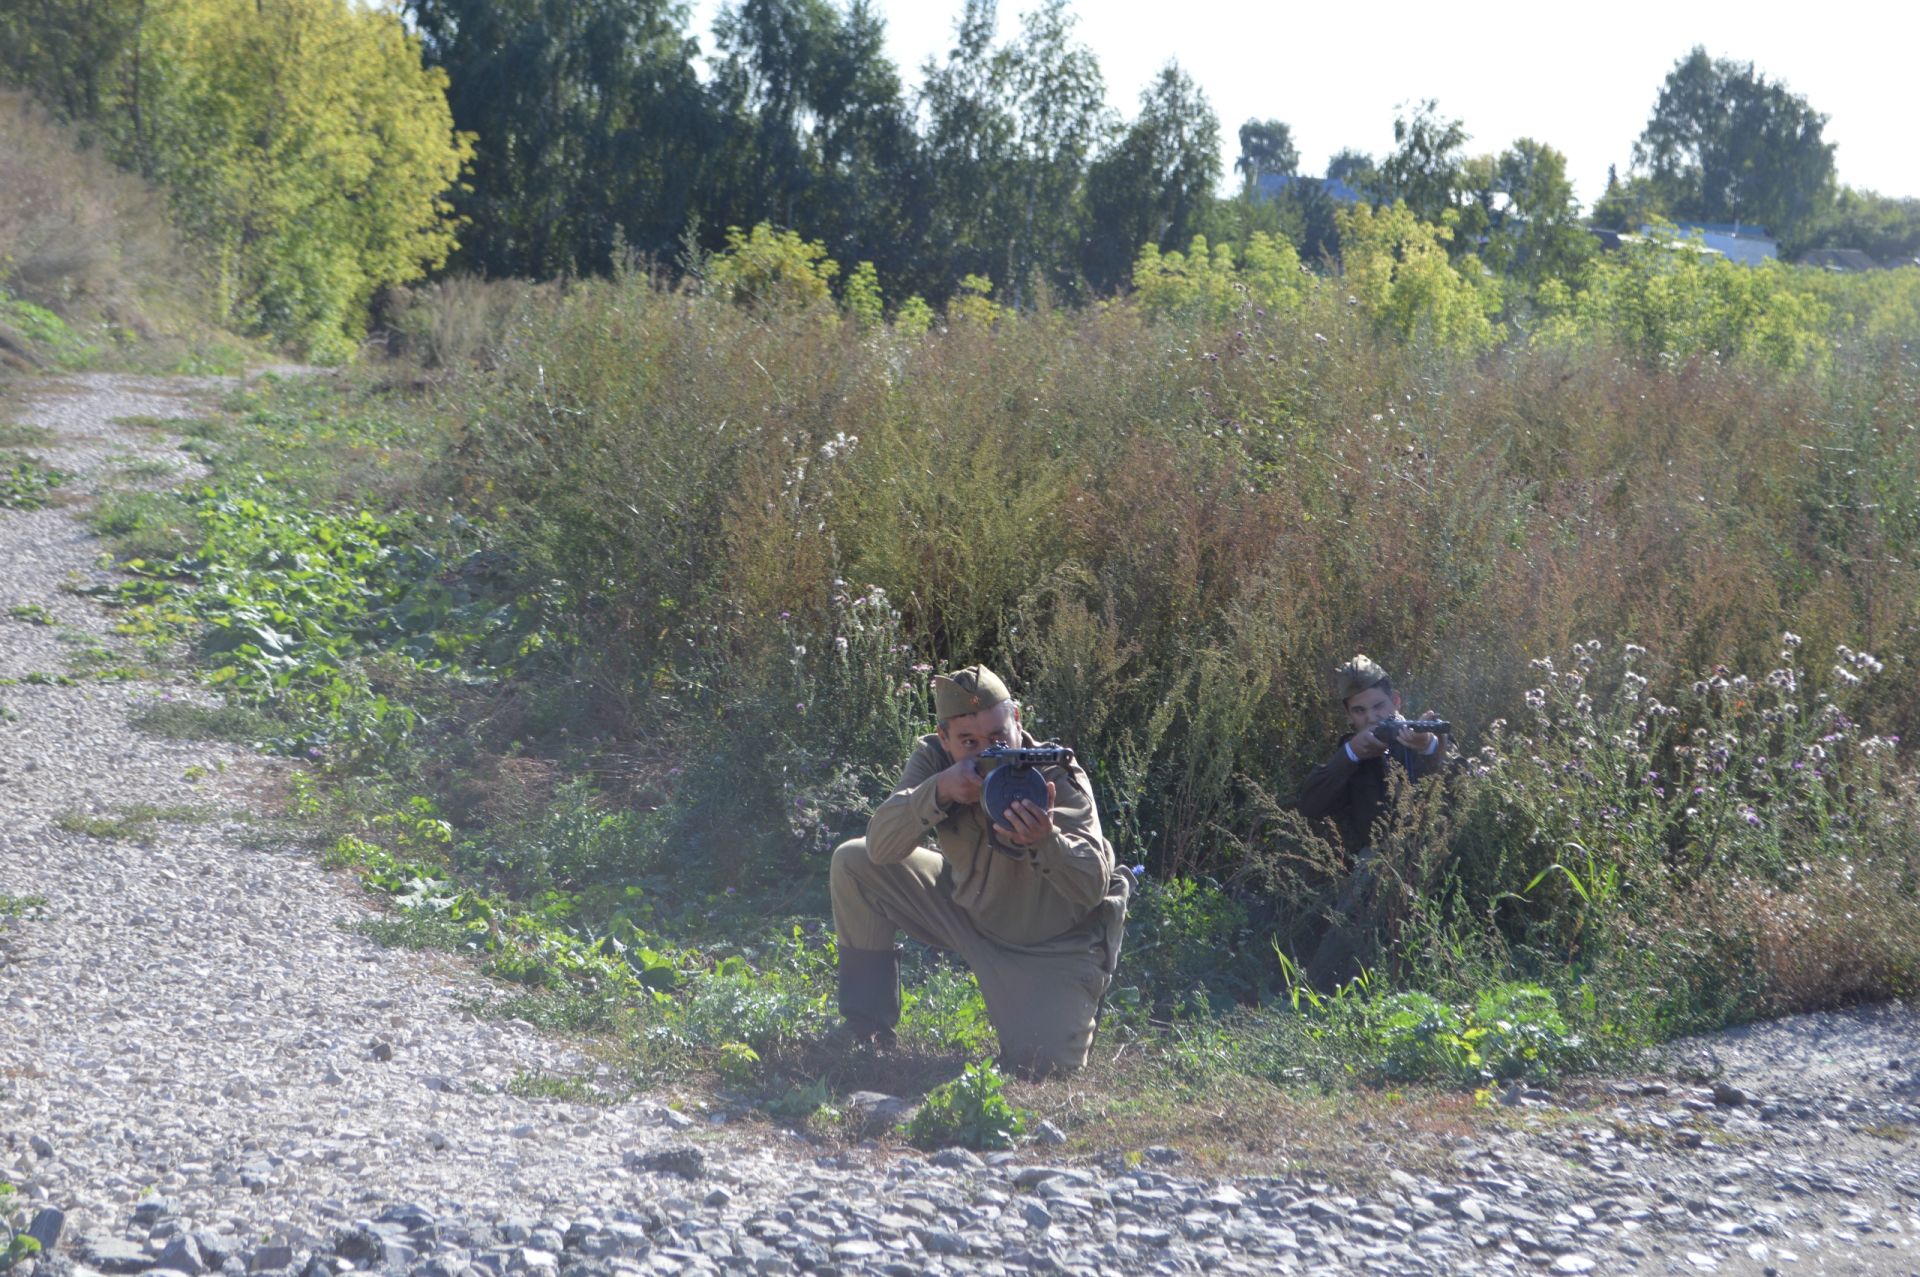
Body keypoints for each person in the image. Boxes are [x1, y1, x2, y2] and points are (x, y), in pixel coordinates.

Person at [829, 664, 1130, 1077]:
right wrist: (939, 790)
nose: (986, 753)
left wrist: (1047, 842)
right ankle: (867, 1027)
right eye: (968, 742)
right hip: (964, 909)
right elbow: (881, 846)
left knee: (1043, 1067)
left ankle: (1065, 1001)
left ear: (1017, 722)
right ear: (945, 740)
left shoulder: (1053, 772)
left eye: (996, 738)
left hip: (1049, 944)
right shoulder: (936, 762)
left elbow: (1093, 883)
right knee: (854, 861)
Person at [1296, 654, 1450, 990]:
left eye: (1379, 707)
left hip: (1440, 856)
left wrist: (1429, 748)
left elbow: (1460, 782)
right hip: (1378, 867)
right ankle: (1315, 988)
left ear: (1395, 701)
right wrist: (1351, 755)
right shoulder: (1351, 751)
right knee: (1370, 867)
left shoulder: (1420, 734)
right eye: (1359, 711)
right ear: (1348, 714)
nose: (1371, 718)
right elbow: (1309, 804)